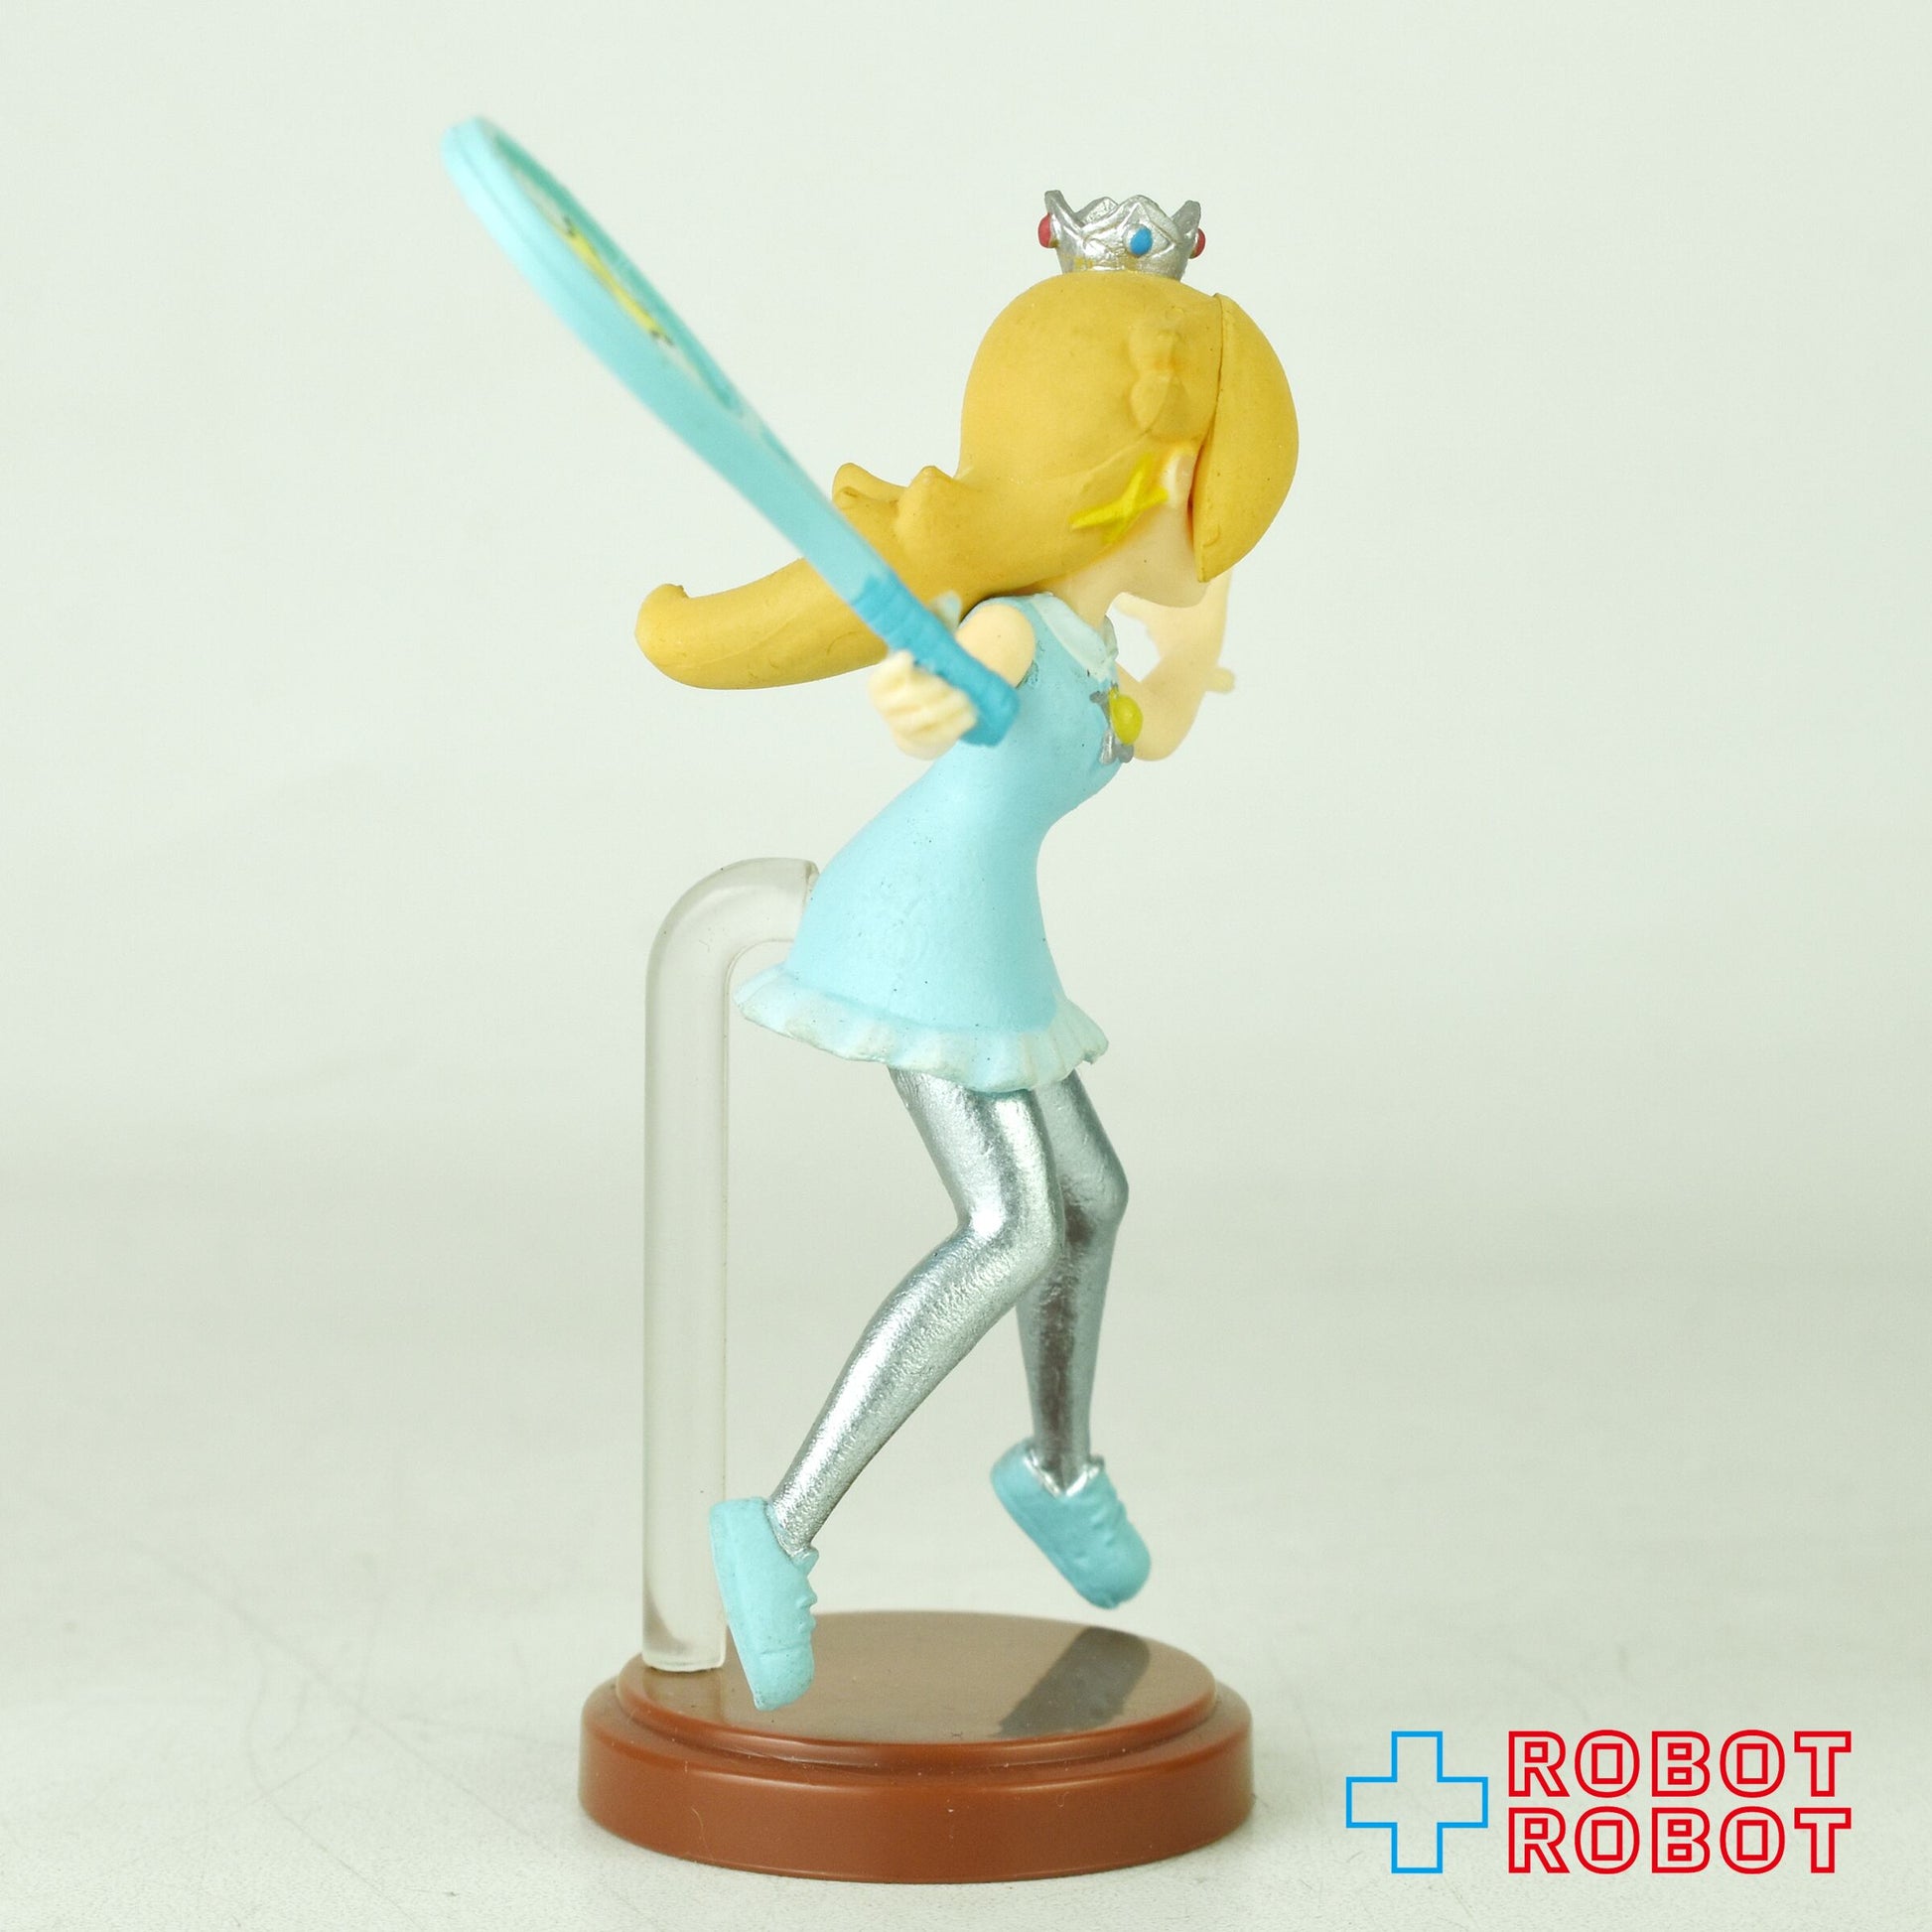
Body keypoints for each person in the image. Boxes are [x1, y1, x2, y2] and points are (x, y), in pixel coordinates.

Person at [636, 195, 1298, 1707]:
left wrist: (1191, 657)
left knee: (1093, 1197)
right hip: (916, 930)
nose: (1221, 539)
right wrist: (928, 695)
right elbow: (951, 694)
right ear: (1167, 476)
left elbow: (1145, 722)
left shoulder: (1086, 643)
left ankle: (1053, 1466)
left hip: (987, 936)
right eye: (1219, 503)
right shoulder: (1008, 637)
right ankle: (777, 1526)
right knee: (1010, 1227)